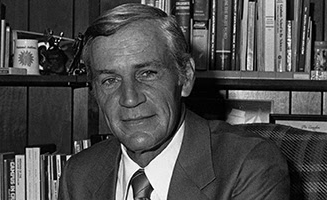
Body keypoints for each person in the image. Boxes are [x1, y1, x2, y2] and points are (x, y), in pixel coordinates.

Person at [58, 3, 290, 200]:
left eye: (147, 73)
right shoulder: (79, 175)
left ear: (185, 77)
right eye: (110, 80)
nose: (129, 98)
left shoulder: (249, 165)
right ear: (95, 92)